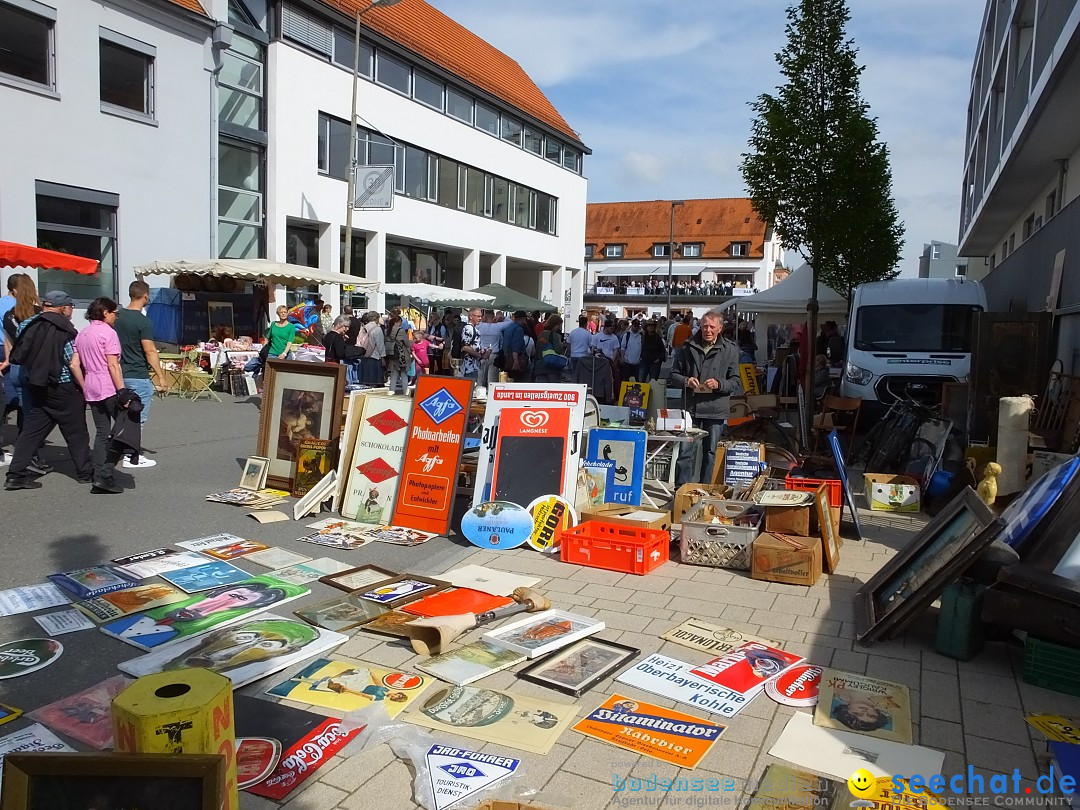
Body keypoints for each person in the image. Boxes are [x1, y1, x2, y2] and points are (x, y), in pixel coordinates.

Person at [5, 291, 92, 490]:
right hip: (64, 385)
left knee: (31, 432)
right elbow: (72, 361)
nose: (71, 310)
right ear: (62, 307)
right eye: (70, 306)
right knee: (76, 432)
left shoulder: (28, 324)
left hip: (37, 384)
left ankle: (15, 475)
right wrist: (84, 386)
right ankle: (85, 472)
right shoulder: (64, 327)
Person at [669, 310, 743, 486]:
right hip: (691, 408)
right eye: (704, 326)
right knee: (686, 450)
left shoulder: (730, 350)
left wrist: (719, 384)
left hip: (715, 408)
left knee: (710, 452)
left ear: (719, 328)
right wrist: (686, 380)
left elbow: (735, 381)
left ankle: (706, 489)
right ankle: (682, 489)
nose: (707, 330)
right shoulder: (687, 347)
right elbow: (673, 375)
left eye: (711, 326)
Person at [73, 297, 126, 493]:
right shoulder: (108, 333)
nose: (116, 317)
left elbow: (74, 364)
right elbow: (112, 364)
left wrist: (84, 384)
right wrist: (122, 390)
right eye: (115, 313)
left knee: (102, 431)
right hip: (108, 385)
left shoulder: (83, 333)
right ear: (106, 313)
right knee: (124, 429)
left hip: (92, 385)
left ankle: (98, 474)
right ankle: (106, 473)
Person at [113, 280, 166, 469]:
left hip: (118, 372)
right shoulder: (143, 321)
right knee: (138, 416)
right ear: (145, 296)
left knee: (122, 415)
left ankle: (118, 450)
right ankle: (131, 455)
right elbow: (150, 351)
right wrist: (160, 375)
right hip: (137, 372)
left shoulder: (116, 317)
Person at [322, 314, 364, 383]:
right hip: (335, 364)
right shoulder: (338, 337)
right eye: (345, 326)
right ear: (339, 324)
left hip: (326, 363)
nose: (347, 329)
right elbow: (340, 354)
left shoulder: (328, 335)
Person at [534, 314, 566, 383]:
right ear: (555, 324)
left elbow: (537, 350)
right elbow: (558, 350)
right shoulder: (555, 335)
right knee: (553, 390)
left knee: (541, 390)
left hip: (540, 366)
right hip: (552, 366)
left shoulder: (541, 334)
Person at [386, 314, 412, 394]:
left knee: (394, 373)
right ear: (397, 322)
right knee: (403, 372)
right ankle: (405, 390)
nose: (401, 324)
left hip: (391, 353)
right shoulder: (401, 331)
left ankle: (391, 390)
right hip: (401, 354)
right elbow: (407, 344)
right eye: (400, 322)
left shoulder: (387, 331)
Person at [358, 311, 385, 385]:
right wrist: (383, 357)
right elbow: (380, 344)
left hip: (364, 354)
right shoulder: (377, 329)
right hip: (374, 355)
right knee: (374, 379)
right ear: (376, 318)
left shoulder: (364, 327)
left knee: (365, 379)